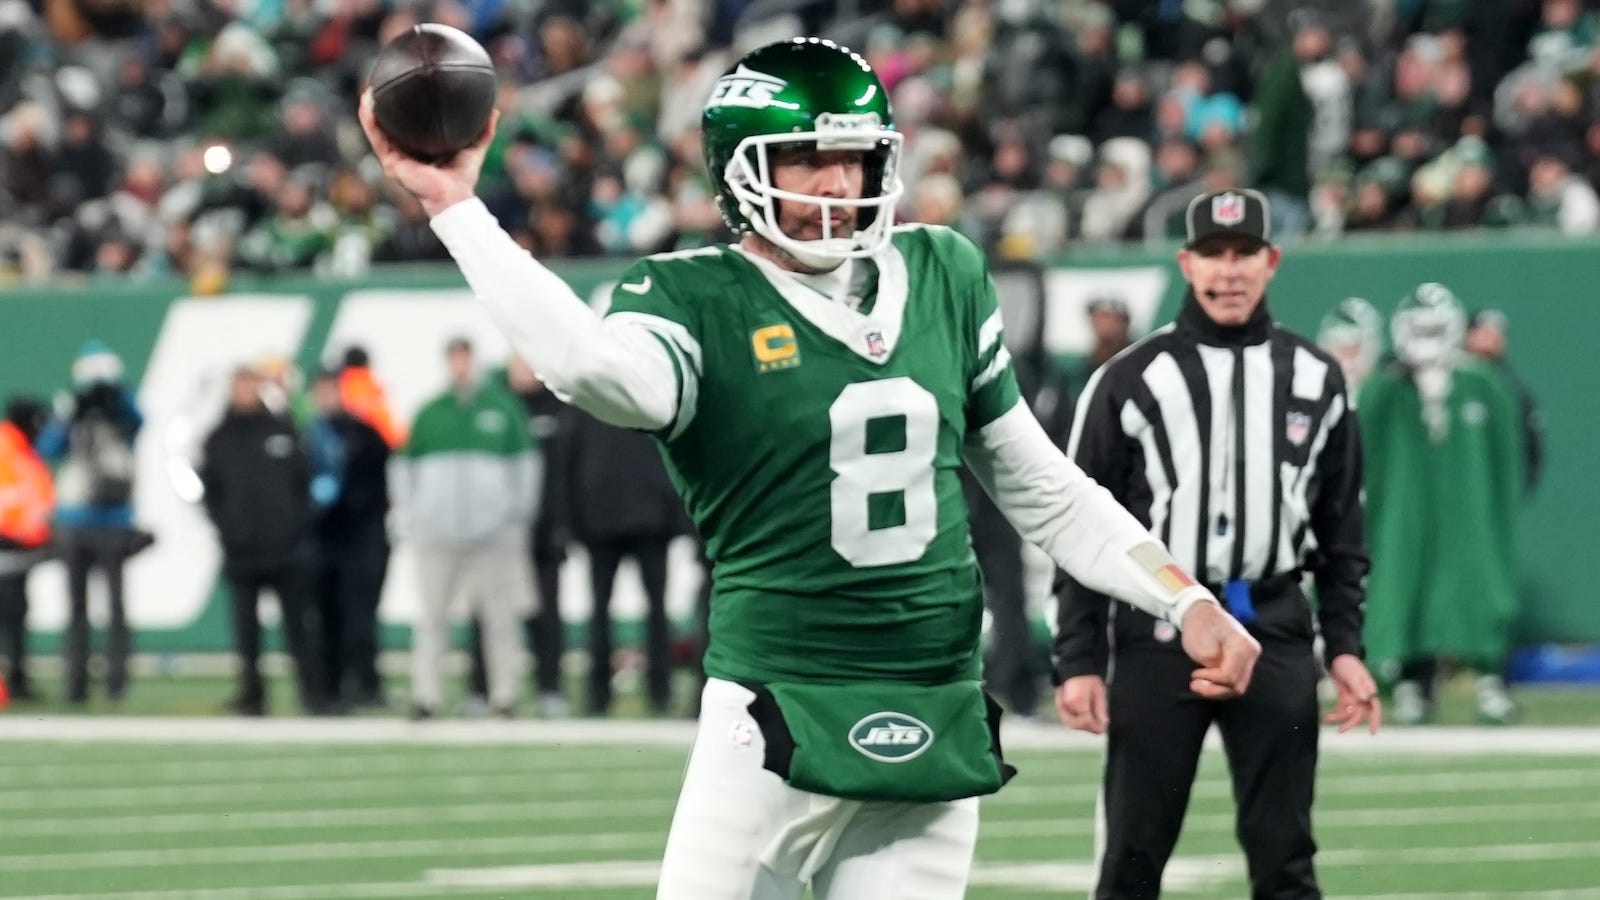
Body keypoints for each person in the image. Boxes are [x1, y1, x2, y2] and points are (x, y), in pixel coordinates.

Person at [362, 36, 1259, 899]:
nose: (837, 183)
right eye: (805, 159)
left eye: (858, 158)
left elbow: (1042, 487)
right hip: (774, 705)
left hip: (934, 704)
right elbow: (595, 371)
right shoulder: (691, 294)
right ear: (740, 171)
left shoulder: (944, 270)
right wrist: (457, 209)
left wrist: (1185, 600)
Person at [1054, 189, 1381, 900]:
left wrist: (1346, 645)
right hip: (1159, 629)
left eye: (1244, 255)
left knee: (1286, 854)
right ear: (1186, 262)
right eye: (1213, 254)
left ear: (1272, 261)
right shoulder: (1129, 378)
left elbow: (1340, 531)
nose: (1228, 271)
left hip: (1276, 625)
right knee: (1134, 855)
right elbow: (1079, 524)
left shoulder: (1317, 377)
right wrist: (1078, 657)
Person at [1360, 286, 1525, 726]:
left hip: (1467, 511)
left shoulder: (1482, 383)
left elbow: (1509, 457)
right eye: (1420, 329)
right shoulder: (1386, 388)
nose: (1428, 340)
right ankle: (1410, 682)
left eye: (1436, 329)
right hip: (1404, 512)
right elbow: (1362, 450)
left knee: (1477, 587)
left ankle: (1490, 680)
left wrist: (1498, 509)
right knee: (1402, 587)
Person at [390, 337, 537, 720]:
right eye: (454, 360)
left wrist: (515, 514)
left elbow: (526, 466)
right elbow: (403, 467)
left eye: (465, 360)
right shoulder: (430, 412)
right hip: (437, 532)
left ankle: (504, 696)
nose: (460, 368)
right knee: (432, 618)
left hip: (494, 534)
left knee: (500, 619)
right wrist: (413, 512)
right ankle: (427, 696)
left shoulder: (503, 409)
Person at [200, 366, 327, 716]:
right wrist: (228, 529)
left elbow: (304, 485)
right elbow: (211, 494)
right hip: (241, 552)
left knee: (299, 628)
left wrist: (294, 529)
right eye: (238, 385)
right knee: (246, 632)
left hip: (286, 551)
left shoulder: (283, 429)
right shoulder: (218, 437)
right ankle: (252, 696)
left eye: (249, 385)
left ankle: (313, 695)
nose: (243, 391)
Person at [35, 341, 153, 705]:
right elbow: (47, 449)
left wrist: (117, 400)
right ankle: (76, 684)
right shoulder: (72, 411)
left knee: (116, 607)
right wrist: (72, 412)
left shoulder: (122, 410)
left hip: (115, 518)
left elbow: (139, 423)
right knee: (77, 607)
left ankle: (117, 683)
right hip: (76, 518)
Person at [566, 407, 689, 716]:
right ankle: (599, 695)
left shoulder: (650, 395)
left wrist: (675, 517)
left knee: (656, 611)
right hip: (603, 523)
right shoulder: (589, 401)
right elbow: (570, 460)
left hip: (649, 522)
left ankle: (659, 691)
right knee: (601, 612)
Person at [306, 368, 392, 709]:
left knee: (362, 618)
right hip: (323, 540)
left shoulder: (365, 434)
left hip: (362, 538)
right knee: (327, 618)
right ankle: (332, 688)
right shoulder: (308, 435)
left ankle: (366, 684)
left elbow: (381, 485)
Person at [0, 396, 53, 701]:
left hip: (21, 547)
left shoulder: (23, 450)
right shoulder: (8, 450)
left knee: (16, 615)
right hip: (7, 543)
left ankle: (17, 680)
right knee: (8, 616)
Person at [1463, 307, 1544, 495]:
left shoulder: (1514, 392)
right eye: (1482, 332)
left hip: (1493, 491)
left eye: (1496, 333)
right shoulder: (1445, 384)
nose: (1490, 339)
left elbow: (1533, 451)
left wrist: (1515, 492)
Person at [1316, 296, 1385, 401]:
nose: (1348, 359)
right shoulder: (1310, 396)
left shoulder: (1388, 397)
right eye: (1341, 348)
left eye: (1355, 348)